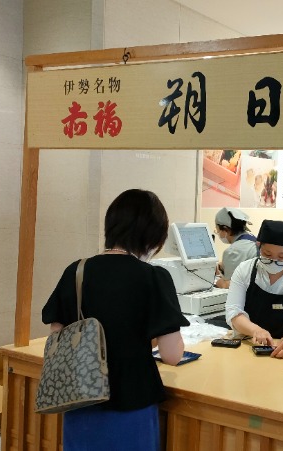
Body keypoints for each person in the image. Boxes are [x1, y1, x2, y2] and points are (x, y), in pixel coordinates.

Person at [42, 189, 190, 451]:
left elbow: (57, 334)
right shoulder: (154, 277)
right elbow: (172, 355)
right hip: (132, 399)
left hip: (80, 398)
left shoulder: (76, 270)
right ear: (153, 235)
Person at [225, 220, 283, 358]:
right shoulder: (245, 270)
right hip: (248, 348)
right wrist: (255, 330)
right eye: (267, 254)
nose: (274, 261)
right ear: (259, 246)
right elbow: (233, 311)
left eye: (282, 256)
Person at [214, 207, 257, 289]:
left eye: (218, 230)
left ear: (225, 229)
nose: (218, 233)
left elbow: (229, 286)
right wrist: (224, 265)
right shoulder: (252, 239)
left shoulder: (233, 251)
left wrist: (218, 281)